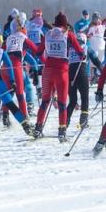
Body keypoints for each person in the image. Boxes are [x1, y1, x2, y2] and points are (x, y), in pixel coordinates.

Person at [33, 12, 85, 142]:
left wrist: (46, 61)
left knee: (45, 101)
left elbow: (38, 52)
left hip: (47, 70)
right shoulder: (69, 34)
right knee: (62, 103)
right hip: (62, 71)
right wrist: (82, 56)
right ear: (65, 24)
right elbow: (80, 52)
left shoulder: (48, 34)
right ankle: (62, 131)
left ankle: (38, 128)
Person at [1, 12, 38, 123]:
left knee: (8, 94)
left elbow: (1, 51)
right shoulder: (23, 38)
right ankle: (24, 117)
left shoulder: (8, 38)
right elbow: (36, 50)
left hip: (4, 68)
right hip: (16, 67)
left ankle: (5, 116)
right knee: (20, 93)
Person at [67, 22, 103, 128]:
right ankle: (83, 122)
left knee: (72, 101)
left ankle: (64, 123)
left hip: (70, 75)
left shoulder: (69, 49)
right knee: (84, 98)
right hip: (82, 74)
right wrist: (103, 71)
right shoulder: (87, 48)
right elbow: (96, 61)